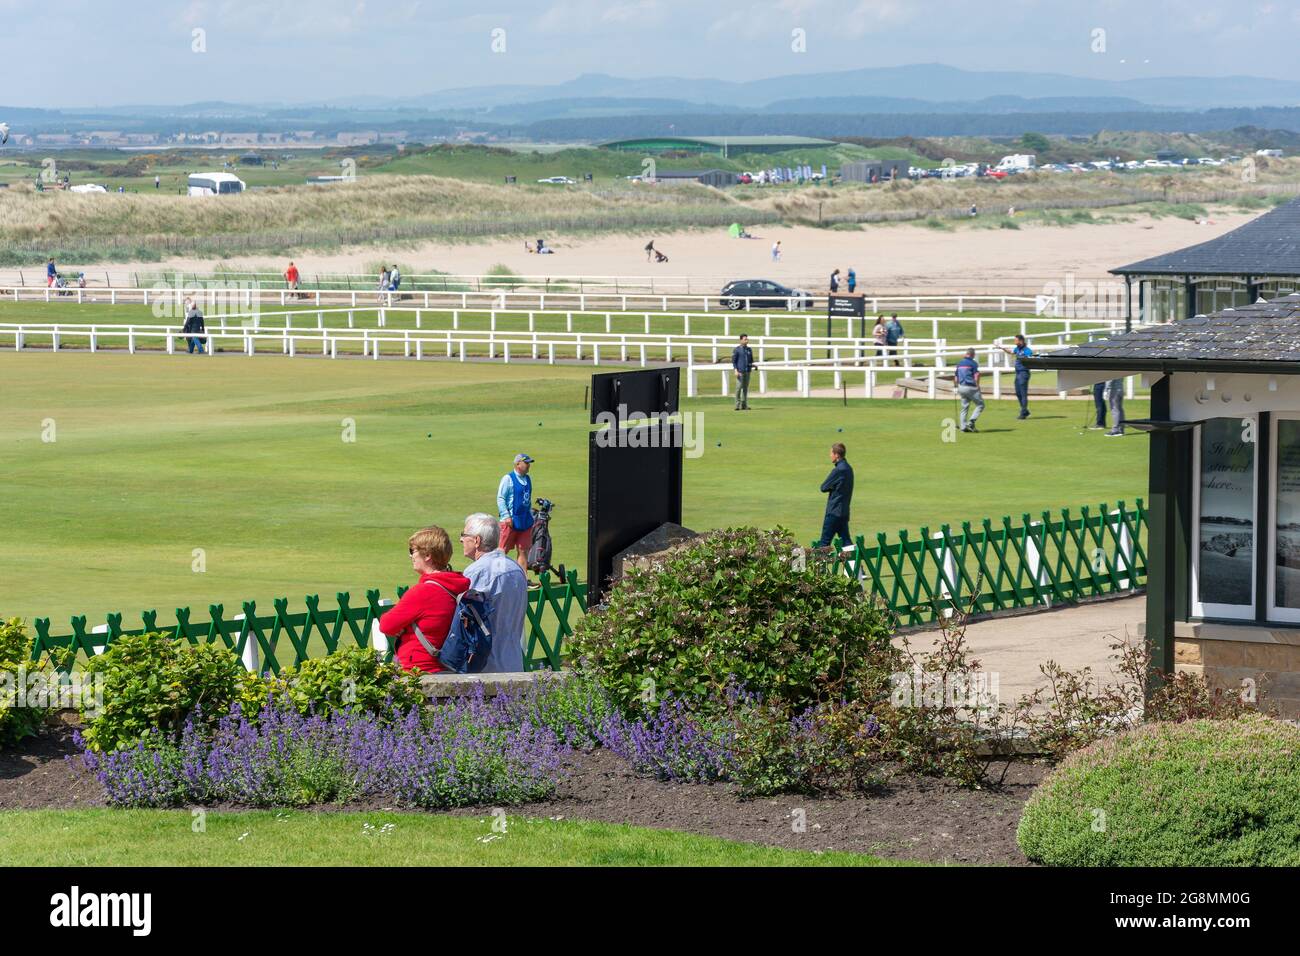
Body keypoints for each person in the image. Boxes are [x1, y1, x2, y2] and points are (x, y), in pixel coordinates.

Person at [378, 526, 471, 674]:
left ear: (427, 555)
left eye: (412, 551)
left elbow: (386, 624)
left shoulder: (423, 592)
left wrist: (404, 626)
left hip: (420, 670)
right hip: (452, 667)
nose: (411, 556)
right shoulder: (458, 586)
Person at [461, 512, 528, 673]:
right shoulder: (515, 567)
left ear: (476, 540)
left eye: (464, 535)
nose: (461, 540)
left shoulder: (477, 571)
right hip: (513, 660)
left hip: (487, 666)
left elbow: (463, 618)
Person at [497, 453, 536, 573]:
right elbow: (501, 498)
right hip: (510, 521)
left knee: (523, 550)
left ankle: (523, 578)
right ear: (518, 464)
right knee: (502, 551)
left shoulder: (527, 478)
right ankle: (498, 575)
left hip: (525, 521)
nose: (528, 466)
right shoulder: (508, 479)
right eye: (526, 463)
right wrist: (506, 516)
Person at [816, 443, 854, 550]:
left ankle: (822, 567)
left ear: (836, 455)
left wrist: (833, 487)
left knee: (824, 544)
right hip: (844, 512)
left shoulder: (838, 470)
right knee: (847, 543)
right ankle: (857, 567)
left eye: (831, 453)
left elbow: (823, 487)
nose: (830, 455)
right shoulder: (849, 469)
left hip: (833, 512)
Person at [999, 333, 1033, 419]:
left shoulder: (1027, 350)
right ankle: (1025, 410)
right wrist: (1003, 348)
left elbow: (1030, 359)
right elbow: (1011, 352)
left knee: (1023, 393)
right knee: (1018, 393)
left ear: (1021, 341)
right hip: (1017, 373)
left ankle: (1023, 413)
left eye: (1016, 340)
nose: (1014, 342)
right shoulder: (1017, 349)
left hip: (1024, 373)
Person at [955, 347, 984, 433]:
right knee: (980, 405)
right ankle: (971, 422)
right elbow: (977, 375)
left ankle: (963, 427)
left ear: (966, 353)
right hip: (971, 387)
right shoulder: (973, 363)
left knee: (964, 407)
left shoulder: (959, 363)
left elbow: (956, 377)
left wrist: (956, 387)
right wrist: (978, 385)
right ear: (973, 355)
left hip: (961, 387)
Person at [731, 333, 754, 411]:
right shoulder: (737, 350)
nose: (747, 340)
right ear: (741, 340)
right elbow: (734, 362)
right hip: (740, 372)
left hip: (747, 371)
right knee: (738, 388)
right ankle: (737, 405)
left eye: (747, 339)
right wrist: (736, 370)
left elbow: (751, 361)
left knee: (745, 388)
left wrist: (753, 366)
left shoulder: (749, 350)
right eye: (745, 339)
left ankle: (744, 405)